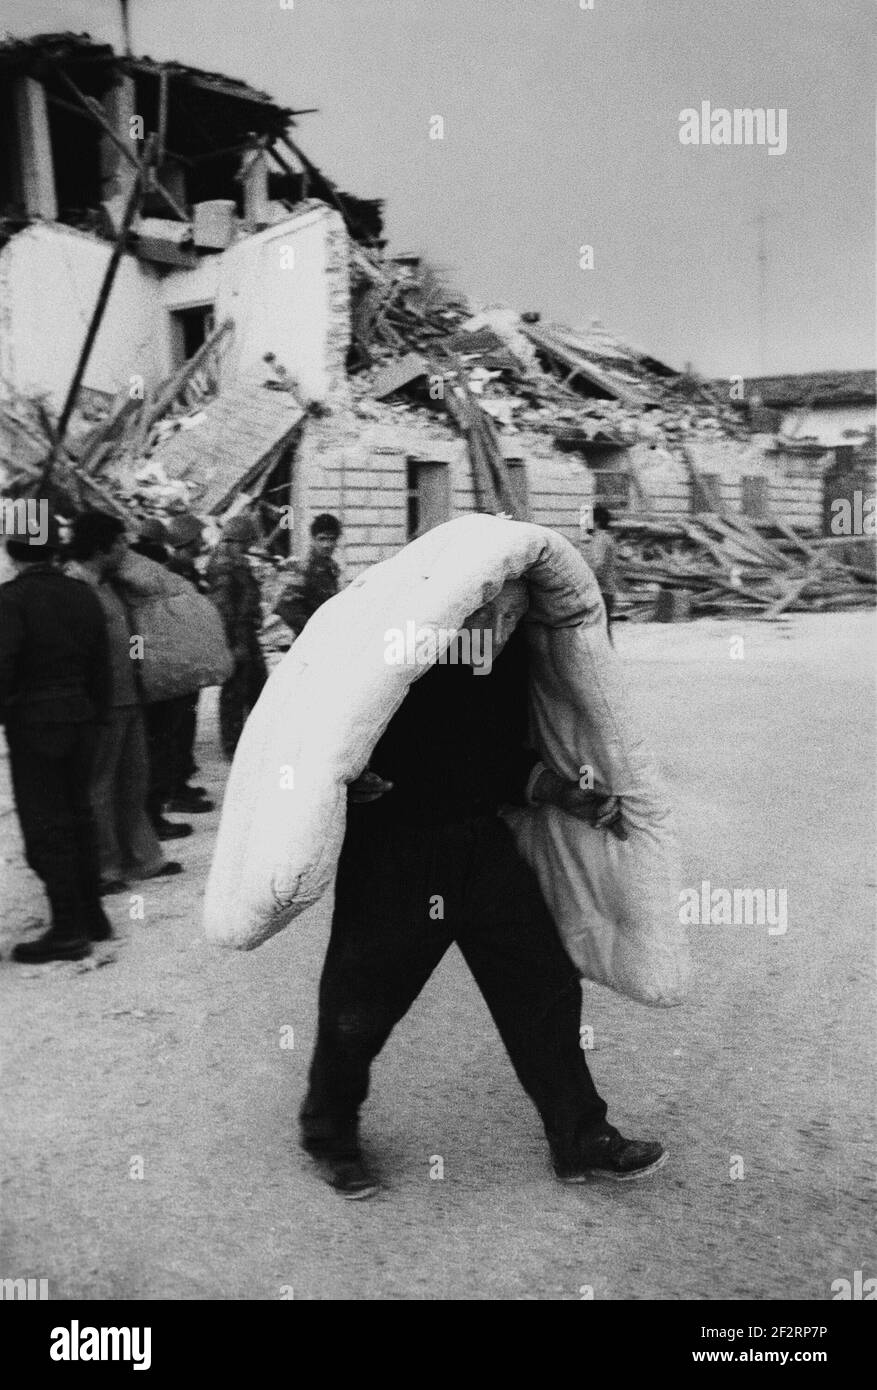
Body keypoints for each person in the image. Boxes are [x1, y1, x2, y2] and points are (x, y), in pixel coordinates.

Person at [299, 593, 665, 1198]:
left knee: (543, 984)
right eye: (492, 606)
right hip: (394, 852)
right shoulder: (396, 647)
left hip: (480, 843)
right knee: (362, 999)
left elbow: (499, 757)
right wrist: (338, 773)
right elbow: (314, 719)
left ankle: (581, 1136)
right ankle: (328, 1133)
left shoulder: (509, 655)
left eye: (512, 608)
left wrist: (564, 792)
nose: (499, 619)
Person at [0, 515, 114, 962]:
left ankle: (68, 930)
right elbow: (102, 664)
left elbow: (3, 665)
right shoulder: (82, 593)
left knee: (47, 827)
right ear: (54, 549)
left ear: (11, 551)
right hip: (82, 719)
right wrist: (97, 714)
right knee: (79, 816)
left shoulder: (11, 600)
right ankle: (93, 915)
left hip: (36, 724)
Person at [67, 511, 182, 894]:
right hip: (101, 703)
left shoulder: (111, 584)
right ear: (100, 546)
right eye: (118, 542)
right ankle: (106, 868)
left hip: (129, 697)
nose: (124, 549)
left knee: (134, 781)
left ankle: (144, 859)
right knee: (101, 786)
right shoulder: (74, 585)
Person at [206, 513, 267, 759]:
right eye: (246, 543)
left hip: (247, 635)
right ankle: (233, 746)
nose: (249, 547)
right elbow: (224, 609)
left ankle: (256, 741)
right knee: (235, 692)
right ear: (234, 541)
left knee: (257, 688)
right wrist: (236, 644)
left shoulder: (236, 562)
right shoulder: (223, 566)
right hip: (237, 638)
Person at [273, 513, 342, 640]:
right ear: (313, 539)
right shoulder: (303, 568)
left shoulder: (332, 568)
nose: (326, 544)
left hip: (327, 637)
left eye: (331, 539)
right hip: (309, 640)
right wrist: (311, 629)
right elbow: (284, 607)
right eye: (322, 539)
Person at [582, 504, 618, 643]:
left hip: (600, 590)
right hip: (607, 590)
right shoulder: (607, 538)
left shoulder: (600, 539)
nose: (584, 524)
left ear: (596, 521)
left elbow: (598, 565)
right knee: (603, 629)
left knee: (597, 629)